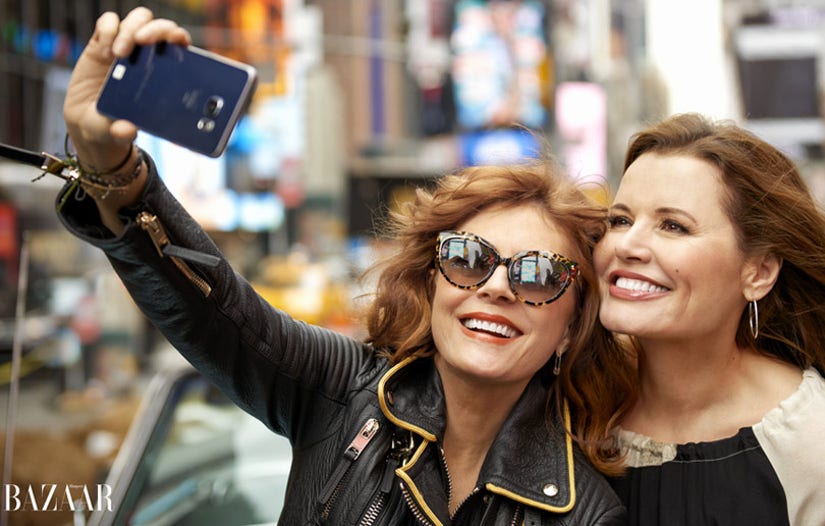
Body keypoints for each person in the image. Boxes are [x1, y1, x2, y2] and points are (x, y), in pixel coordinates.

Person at [56, 8, 629, 524]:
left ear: (572, 326)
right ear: (432, 283)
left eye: (537, 274)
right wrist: (111, 166)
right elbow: (214, 307)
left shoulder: (586, 514)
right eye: (468, 258)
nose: (497, 286)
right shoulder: (345, 392)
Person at [594, 112, 825, 526]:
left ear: (759, 272)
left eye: (673, 226)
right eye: (620, 220)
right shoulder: (568, 401)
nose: (626, 245)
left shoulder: (809, 438)